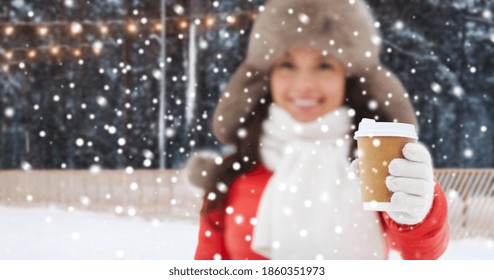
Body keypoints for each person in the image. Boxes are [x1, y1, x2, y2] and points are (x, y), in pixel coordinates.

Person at [188, 0, 449, 260]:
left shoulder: (377, 166)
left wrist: (420, 207)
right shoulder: (231, 174)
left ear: (348, 78)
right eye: (287, 65)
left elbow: (420, 253)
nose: (304, 85)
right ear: (267, 76)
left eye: (324, 65)